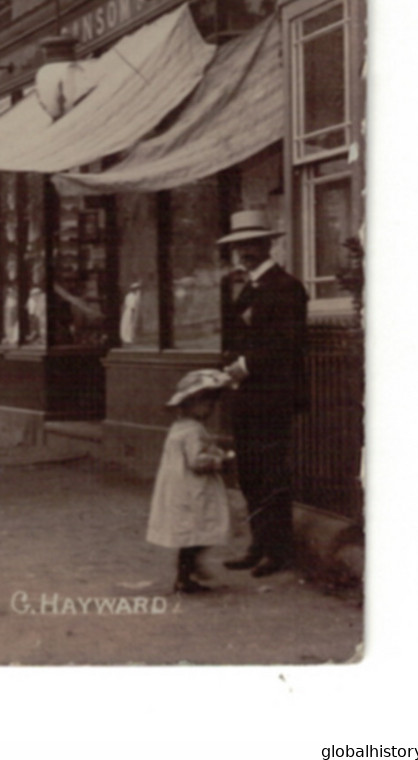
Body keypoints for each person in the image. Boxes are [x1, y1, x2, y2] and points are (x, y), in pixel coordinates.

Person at [217, 210, 309, 578]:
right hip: (246, 395)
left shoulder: (287, 287)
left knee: (271, 472)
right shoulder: (249, 288)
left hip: (272, 395)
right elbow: (240, 338)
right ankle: (258, 544)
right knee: (250, 472)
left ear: (268, 244)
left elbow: (288, 344)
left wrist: (246, 365)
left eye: (252, 244)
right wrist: (227, 365)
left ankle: (278, 550)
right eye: (240, 245)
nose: (245, 252)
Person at [146, 369, 236, 594]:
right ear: (191, 404)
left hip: (181, 487)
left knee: (192, 534)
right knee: (198, 531)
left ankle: (186, 573)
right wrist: (220, 462)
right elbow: (196, 461)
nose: (211, 408)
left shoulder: (181, 427)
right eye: (206, 403)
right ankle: (186, 575)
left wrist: (213, 450)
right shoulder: (193, 430)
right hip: (192, 489)